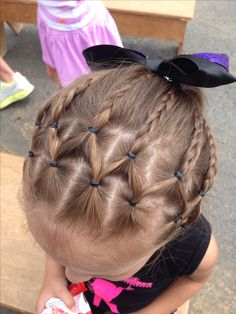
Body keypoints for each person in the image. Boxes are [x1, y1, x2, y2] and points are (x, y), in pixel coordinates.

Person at [22, 46, 235, 314]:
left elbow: (195, 279)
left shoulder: (193, 249)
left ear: (167, 237)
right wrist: (52, 278)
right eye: (65, 260)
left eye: (106, 270)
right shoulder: (62, 204)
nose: (73, 277)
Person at [37, 0, 123, 87]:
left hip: (54, 20)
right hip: (89, 15)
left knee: (70, 85)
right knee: (111, 73)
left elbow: (52, 73)